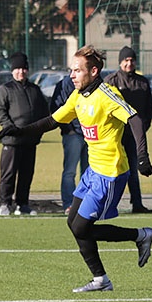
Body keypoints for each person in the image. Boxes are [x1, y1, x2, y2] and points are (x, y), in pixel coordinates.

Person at [0, 45, 152, 293]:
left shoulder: (107, 95)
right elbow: (52, 120)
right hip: (92, 171)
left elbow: (134, 119)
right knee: (73, 222)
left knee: (82, 227)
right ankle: (101, 280)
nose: (72, 75)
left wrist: (143, 157)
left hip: (110, 174)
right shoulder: (78, 96)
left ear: (93, 71)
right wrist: (19, 130)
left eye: (77, 70)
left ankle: (140, 235)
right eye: (71, 70)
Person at [0, 52, 50, 216]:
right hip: (12, 141)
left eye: (24, 68)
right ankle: (4, 203)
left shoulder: (35, 90)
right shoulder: (5, 89)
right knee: (8, 174)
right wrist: (9, 126)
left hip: (30, 141)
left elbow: (44, 112)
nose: (21, 72)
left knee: (26, 174)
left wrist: (39, 131)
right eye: (18, 68)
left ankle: (22, 204)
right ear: (12, 70)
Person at [105, 46, 152, 213]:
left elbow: (149, 109)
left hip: (134, 136)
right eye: (126, 60)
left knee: (133, 169)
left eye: (132, 60)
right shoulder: (111, 81)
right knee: (113, 170)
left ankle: (137, 203)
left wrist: (143, 128)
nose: (129, 63)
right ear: (120, 62)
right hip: (115, 135)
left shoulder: (143, 82)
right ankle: (109, 204)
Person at [51, 73, 89, 214]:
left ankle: (86, 203)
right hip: (73, 135)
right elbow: (56, 108)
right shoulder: (65, 84)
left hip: (90, 134)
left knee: (88, 172)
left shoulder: (91, 83)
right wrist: (68, 129)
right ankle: (69, 204)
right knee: (70, 171)